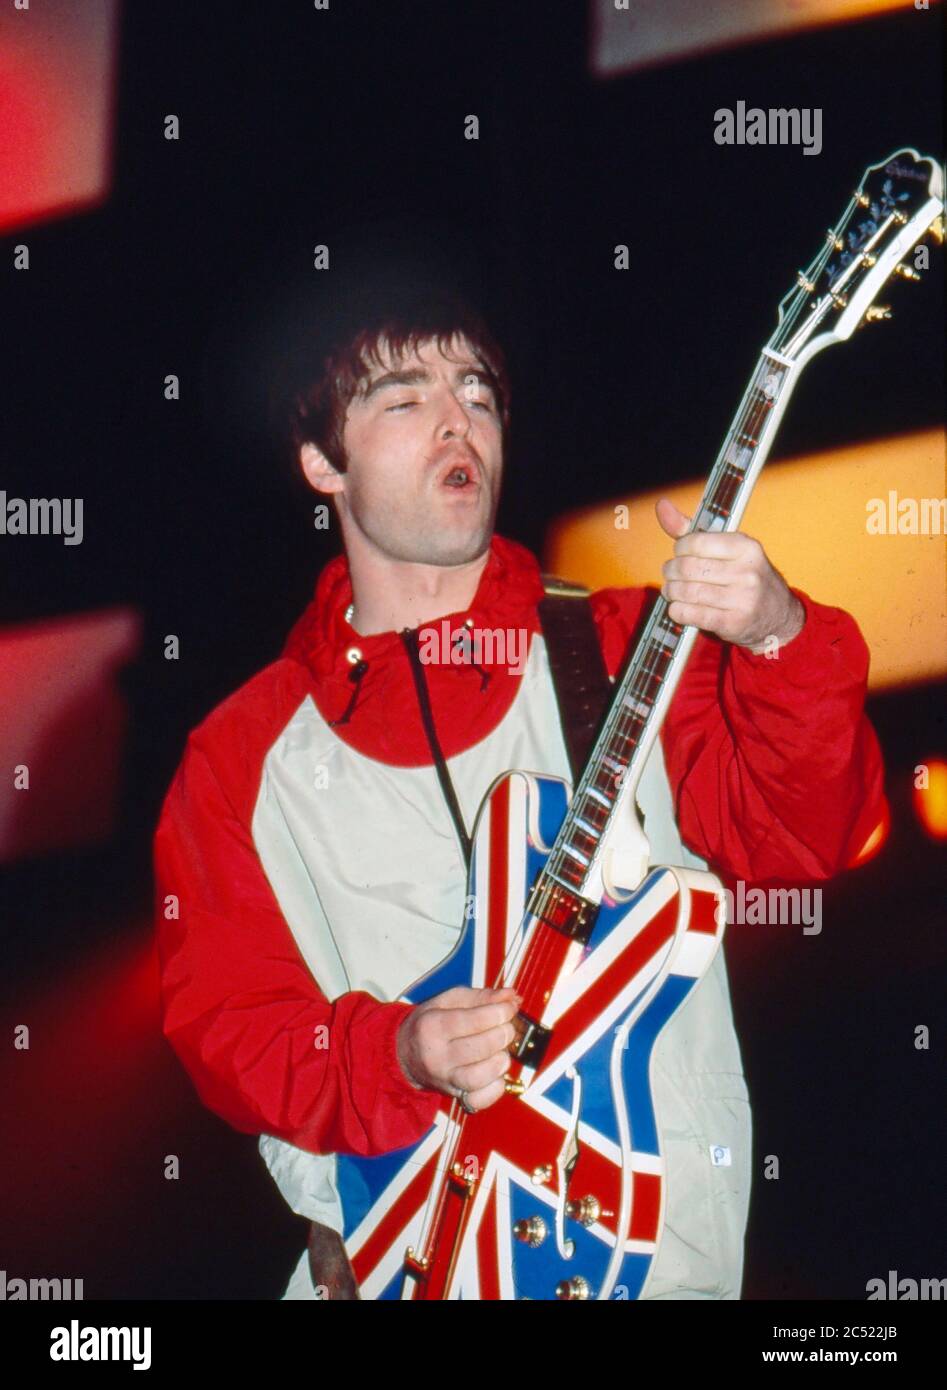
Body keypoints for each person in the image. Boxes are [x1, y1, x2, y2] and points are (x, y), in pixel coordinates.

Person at [153, 287, 885, 1300]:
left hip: (653, 1267)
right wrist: (394, 1050)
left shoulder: (631, 646)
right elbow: (232, 1029)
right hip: (414, 1258)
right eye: (404, 398)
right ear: (323, 463)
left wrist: (776, 635)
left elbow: (806, 836)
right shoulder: (240, 757)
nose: (458, 418)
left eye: (478, 391)